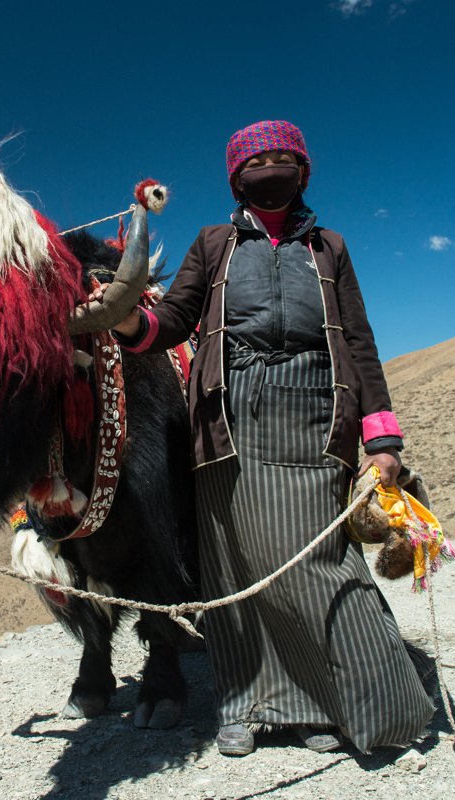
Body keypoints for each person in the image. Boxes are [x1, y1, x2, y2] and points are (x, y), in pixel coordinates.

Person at [101, 120, 434, 755]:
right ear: (237, 178)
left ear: (303, 172)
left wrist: (382, 440)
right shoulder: (214, 241)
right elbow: (174, 320)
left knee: (318, 564)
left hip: (315, 420)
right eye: (257, 162)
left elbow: (358, 345)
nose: (270, 169)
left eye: (284, 159)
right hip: (230, 422)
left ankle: (323, 705)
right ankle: (244, 705)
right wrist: (127, 320)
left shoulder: (329, 247)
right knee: (234, 565)